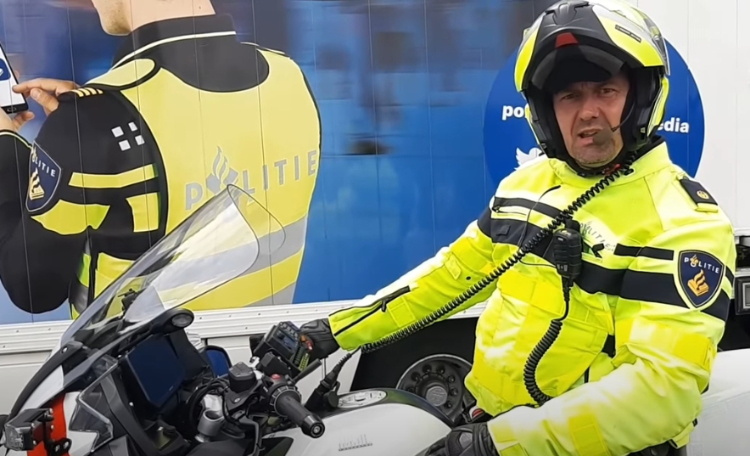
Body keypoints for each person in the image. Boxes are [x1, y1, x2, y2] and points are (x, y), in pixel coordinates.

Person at [298, 1, 737, 455]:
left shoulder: (683, 222)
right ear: (546, 112)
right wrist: (331, 332)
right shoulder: (526, 185)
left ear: (643, 98)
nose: (588, 112)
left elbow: (661, 392)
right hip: (497, 430)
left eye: (606, 91)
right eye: (569, 97)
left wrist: (500, 443)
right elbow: (452, 276)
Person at [0, 0, 321, 317]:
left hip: (139, 353)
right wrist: (78, 136)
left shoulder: (92, 121)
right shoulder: (289, 75)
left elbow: (33, 291)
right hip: (267, 346)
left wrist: (8, 146)